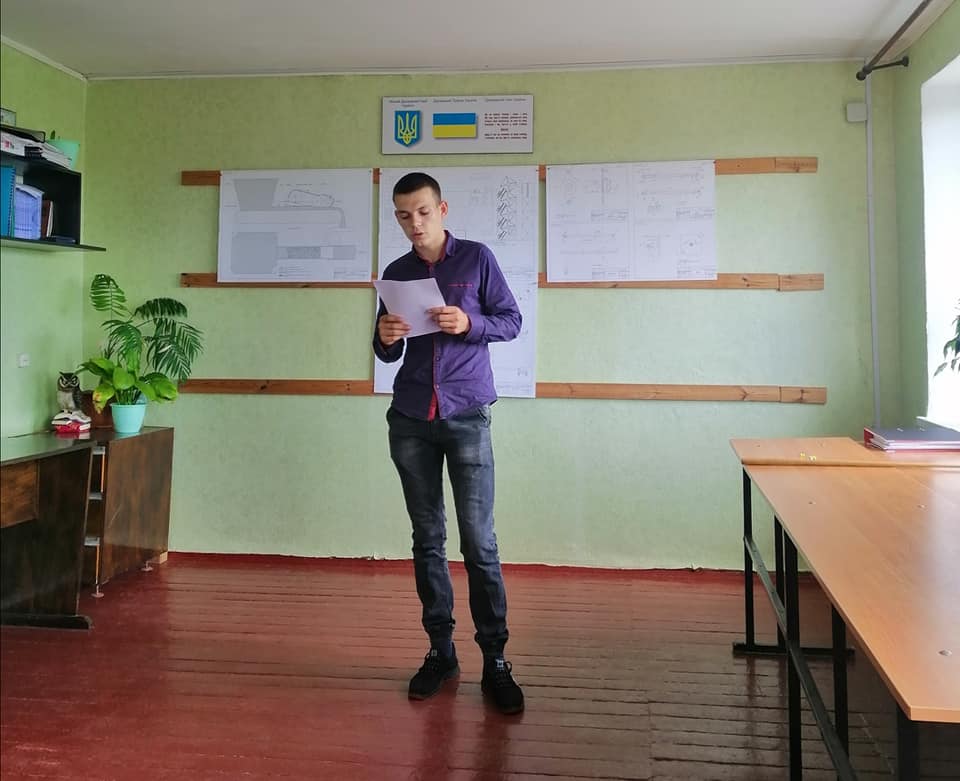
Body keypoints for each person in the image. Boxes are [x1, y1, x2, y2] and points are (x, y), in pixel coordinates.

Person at [373, 172, 524, 715]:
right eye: (403, 215)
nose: (413, 223)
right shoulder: (397, 273)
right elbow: (387, 350)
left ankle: (496, 659)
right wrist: (384, 339)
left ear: (442, 209)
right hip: (410, 417)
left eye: (422, 212)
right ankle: (441, 651)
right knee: (427, 539)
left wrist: (469, 322)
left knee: (479, 543)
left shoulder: (477, 259)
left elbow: (511, 321)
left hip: (466, 414)